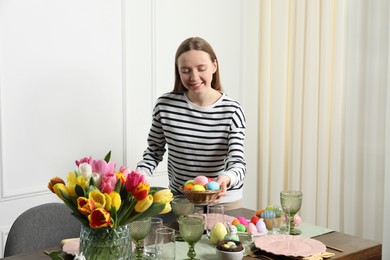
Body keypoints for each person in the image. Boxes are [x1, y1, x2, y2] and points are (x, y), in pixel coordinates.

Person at [136, 37, 246, 210]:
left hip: (223, 201)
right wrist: (140, 175)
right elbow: (153, 151)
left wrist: (227, 177)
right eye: (186, 70)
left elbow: (237, 162)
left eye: (201, 69)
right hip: (183, 200)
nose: (194, 77)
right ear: (178, 71)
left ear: (214, 66)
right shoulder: (165, 106)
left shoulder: (232, 110)